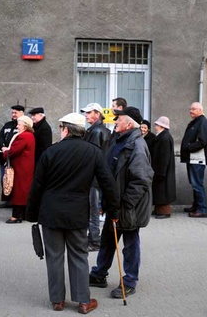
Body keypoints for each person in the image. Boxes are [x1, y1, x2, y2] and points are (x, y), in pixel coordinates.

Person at [26, 112, 120, 314]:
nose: (60, 131)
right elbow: (108, 184)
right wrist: (113, 210)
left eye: (61, 128)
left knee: (54, 256)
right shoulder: (93, 152)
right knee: (79, 255)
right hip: (77, 213)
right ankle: (83, 301)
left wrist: (31, 214)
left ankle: (57, 300)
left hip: (51, 212)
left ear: (66, 129)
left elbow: (37, 186)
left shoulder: (51, 152)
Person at [89, 106, 153, 299]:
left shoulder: (137, 146)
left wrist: (125, 203)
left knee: (130, 243)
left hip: (129, 205)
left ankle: (130, 281)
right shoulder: (117, 140)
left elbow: (142, 179)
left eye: (119, 119)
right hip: (115, 203)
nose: (115, 122)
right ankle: (99, 273)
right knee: (108, 238)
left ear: (129, 123)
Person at [80, 103, 111, 252]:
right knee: (93, 208)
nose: (86, 115)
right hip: (96, 176)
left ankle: (94, 240)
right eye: (85, 113)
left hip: (94, 178)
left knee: (93, 210)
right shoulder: (99, 130)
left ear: (97, 114)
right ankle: (93, 238)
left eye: (89, 112)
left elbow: (91, 156)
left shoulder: (97, 131)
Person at [1, 115, 35, 223]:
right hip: (25, 168)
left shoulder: (23, 136)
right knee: (24, 191)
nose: (17, 126)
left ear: (25, 126)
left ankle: (16, 216)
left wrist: (5, 151)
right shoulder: (30, 135)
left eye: (19, 124)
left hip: (20, 168)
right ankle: (24, 215)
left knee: (18, 192)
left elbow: (13, 151)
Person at [180, 102, 207, 218]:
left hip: (197, 159)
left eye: (193, 109)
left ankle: (202, 209)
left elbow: (203, 141)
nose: (190, 111)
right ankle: (196, 205)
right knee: (194, 184)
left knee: (197, 184)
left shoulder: (203, 122)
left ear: (200, 110)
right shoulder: (196, 122)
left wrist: (188, 148)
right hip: (192, 159)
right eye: (190, 109)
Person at [0, 104, 24, 208]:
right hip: (4, 157)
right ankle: (7, 201)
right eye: (12, 112)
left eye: (15, 113)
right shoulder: (7, 125)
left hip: (14, 157)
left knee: (15, 180)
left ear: (21, 113)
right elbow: (1, 137)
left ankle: (15, 201)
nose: (13, 115)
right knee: (4, 179)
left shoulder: (23, 126)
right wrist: (3, 147)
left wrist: (11, 149)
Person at [151, 116, 176, 219]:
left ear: (161, 126)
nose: (155, 126)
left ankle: (164, 211)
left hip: (162, 170)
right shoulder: (163, 136)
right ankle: (159, 209)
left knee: (162, 191)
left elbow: (164, 156)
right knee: (160, 190)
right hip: (161, 169)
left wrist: (161, 172)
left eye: (157, 125)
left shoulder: (164, 137)